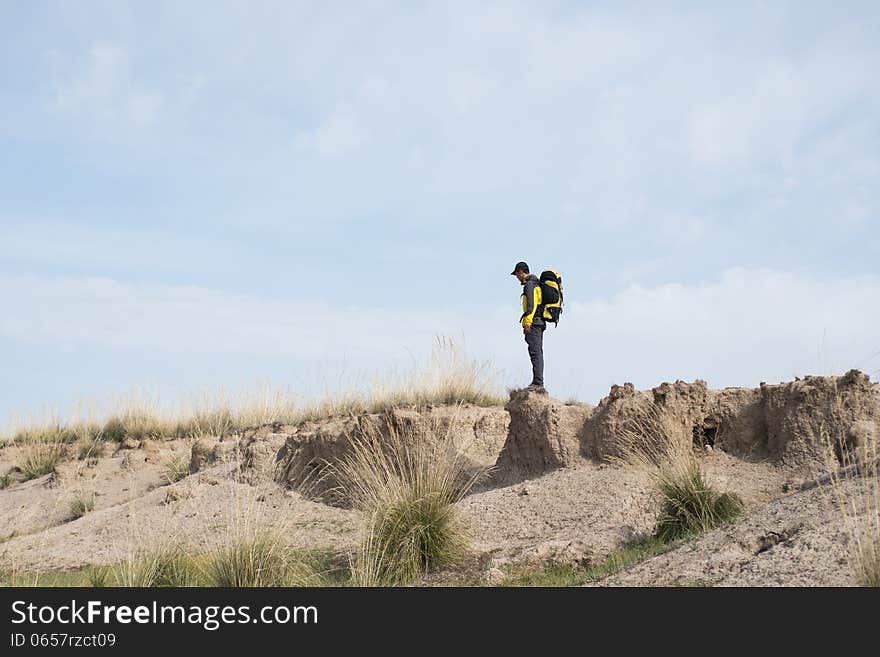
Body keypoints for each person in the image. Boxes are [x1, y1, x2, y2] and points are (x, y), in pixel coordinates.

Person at [510, 261, 548, 394]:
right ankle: (538, 381)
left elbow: (531, 306)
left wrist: (527, 322)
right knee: (537, 352)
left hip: (534, 323)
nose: (517, 277)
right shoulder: (535, 283)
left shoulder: (529, 285)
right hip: (538, 322)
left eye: (517, 274)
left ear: (521, 272)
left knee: (535, 353)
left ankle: (538, 383)